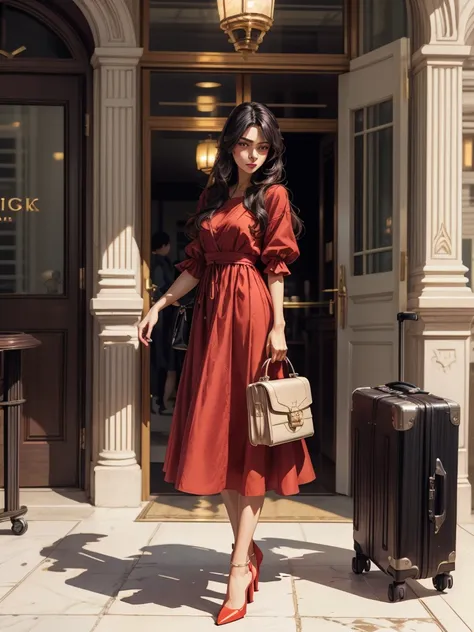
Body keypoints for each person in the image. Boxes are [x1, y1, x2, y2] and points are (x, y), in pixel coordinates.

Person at [138, 102, 315, 626]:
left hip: (252, 318)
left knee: (252, 439)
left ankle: (238, 566)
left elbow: (277, 267)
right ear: (230, 144)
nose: (253, 155)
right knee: (221, 438)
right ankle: (247, 549)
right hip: (214, 324)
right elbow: (195, 266)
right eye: (245, 144)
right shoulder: (214, 197)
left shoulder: (273, 196)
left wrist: (278, 328)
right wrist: (160, 304)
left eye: (263, 147)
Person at [150, 231, 177, 414]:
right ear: (162, 246)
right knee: (160, 358)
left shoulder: (156, 262)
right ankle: (158, 400)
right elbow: (161, 287)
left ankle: (160, 400)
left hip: (162, 314)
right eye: (167, 245)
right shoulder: (159, 264)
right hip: (162, 315)